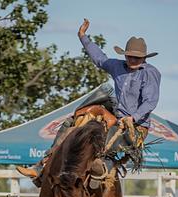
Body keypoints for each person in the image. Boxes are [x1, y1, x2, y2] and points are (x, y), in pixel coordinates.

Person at [17, 19, 161, 184]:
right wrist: (82, 36)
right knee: (71, 122)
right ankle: (42, 168)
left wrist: (132, 118)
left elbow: (150, 101)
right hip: (116, 117)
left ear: (144, 57)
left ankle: (101, 172)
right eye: (130, 56)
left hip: (136, 125)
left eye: (137, 57)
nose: (133, 59)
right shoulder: (117, 66)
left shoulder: (150, 73)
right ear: (125, 55)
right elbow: (99, 58)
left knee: (107, 140)